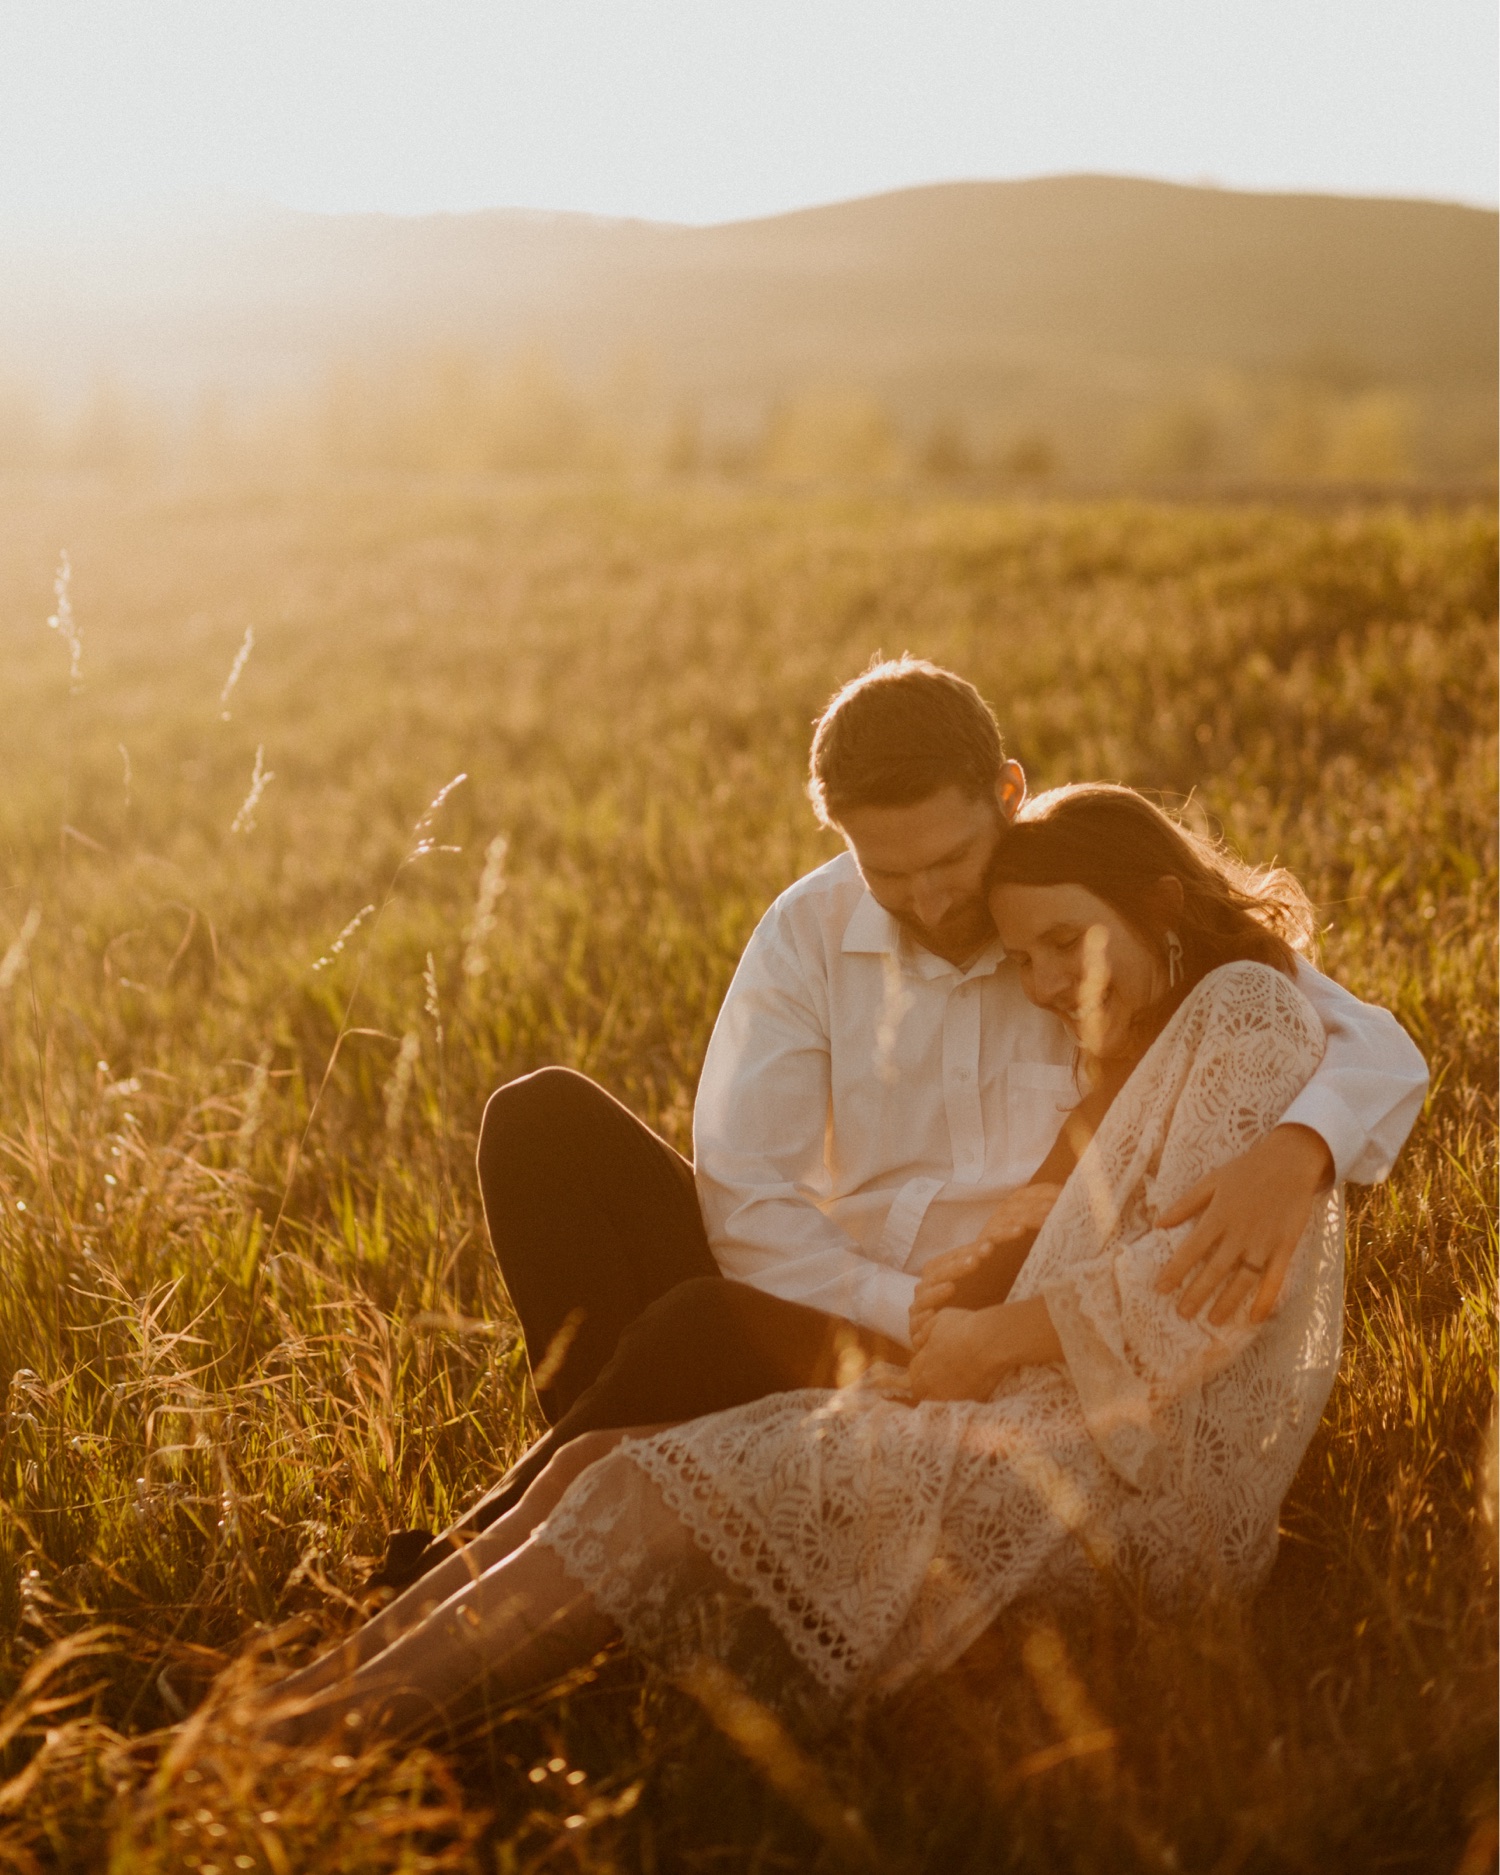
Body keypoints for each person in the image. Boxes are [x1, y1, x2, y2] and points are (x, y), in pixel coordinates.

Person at [257, 784, 1362, 1742]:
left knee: (649, 1486)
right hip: (1007, 1396)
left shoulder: (1246, 1012)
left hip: (1134, 1494)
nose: (1037, 984)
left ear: (1157, 905)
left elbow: (1197, 1303)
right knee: (600, 1457)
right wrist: (957, 1326)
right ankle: (293, 1696)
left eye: (1061, 945)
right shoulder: (1120, 1032)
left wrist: (981, 1336)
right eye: (1020, 955)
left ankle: (298, 1745)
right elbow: (747, 1191)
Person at [373, 658, 1426, 1588]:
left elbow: (1370, 1041)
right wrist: (903, 1314)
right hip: (833, 1293)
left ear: (1007, 793)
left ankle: (486, 1560)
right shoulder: (808, 932)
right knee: (542, 1121)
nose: (926, 898)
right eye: (889, 871)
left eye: (951, 860)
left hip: (1023, 1321)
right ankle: (579, 1543)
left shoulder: (1078, 900)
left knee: (693, 1327)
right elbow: (747, 1199)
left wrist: (1301, 1148)